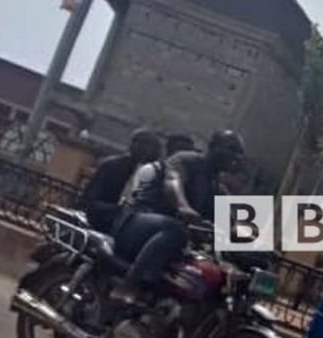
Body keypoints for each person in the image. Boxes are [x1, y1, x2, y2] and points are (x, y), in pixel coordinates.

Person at [111, 130, 245, 304]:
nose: (235, 156)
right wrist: (183, 206)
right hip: (138, 223)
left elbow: (229, 219)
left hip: (171, 237)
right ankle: (128, 285)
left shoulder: (216, 185)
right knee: (176, 229)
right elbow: (173, 181)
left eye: (239, 152)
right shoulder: (186, 160)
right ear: (213, 146)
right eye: (231, 149)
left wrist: (255, 243)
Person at [78, 129, 162, 232]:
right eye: (137, 143)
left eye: (146, 145)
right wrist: (117, 209)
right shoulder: (111, 166)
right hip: (102, 222)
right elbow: (88, 200)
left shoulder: (156, 176)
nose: (140, 148)